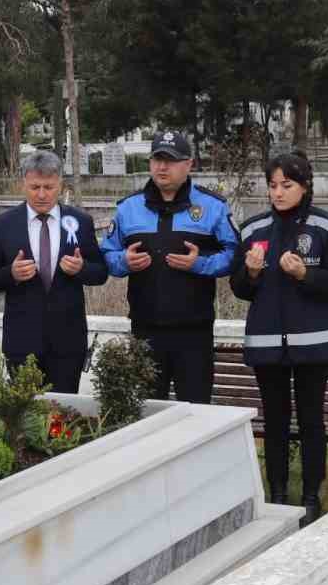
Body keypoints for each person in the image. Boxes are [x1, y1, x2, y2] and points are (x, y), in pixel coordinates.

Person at [230, 152, 328, 526]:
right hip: (268, 343)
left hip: (313, 343)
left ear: (304, 187)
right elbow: (240, 289)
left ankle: (312, 497)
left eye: (287, 185)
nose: (278, 193)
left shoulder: (323, 225)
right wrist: (249, 273)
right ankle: (279, 493)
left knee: (311, 420)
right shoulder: (252, 230)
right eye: (272, 186)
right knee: (276, 421)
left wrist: (305, 275)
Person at [100, 130, 238, 402]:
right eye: (157, 159)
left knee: (196, 412)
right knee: (147, 413)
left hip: (193, 332)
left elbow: (235, 254)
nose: (162, 167)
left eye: (171, 160)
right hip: (145, 330)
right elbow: (106, 254)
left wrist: (201, 264)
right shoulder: (128, 208)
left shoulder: (212, 207)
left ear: (189, 164)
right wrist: (123, 261)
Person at [0, 151, 108, 393]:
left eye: (48, 187)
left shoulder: (80, 221)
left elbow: (100, 273)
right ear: (23, 184)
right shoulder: (4, 224)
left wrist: (81, 269)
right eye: (34, 187)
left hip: (68, 342)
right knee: (26, 418)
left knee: (63, 417)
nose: (41, 194)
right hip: (22, 341)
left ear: (60, 185)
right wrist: (11, 274)